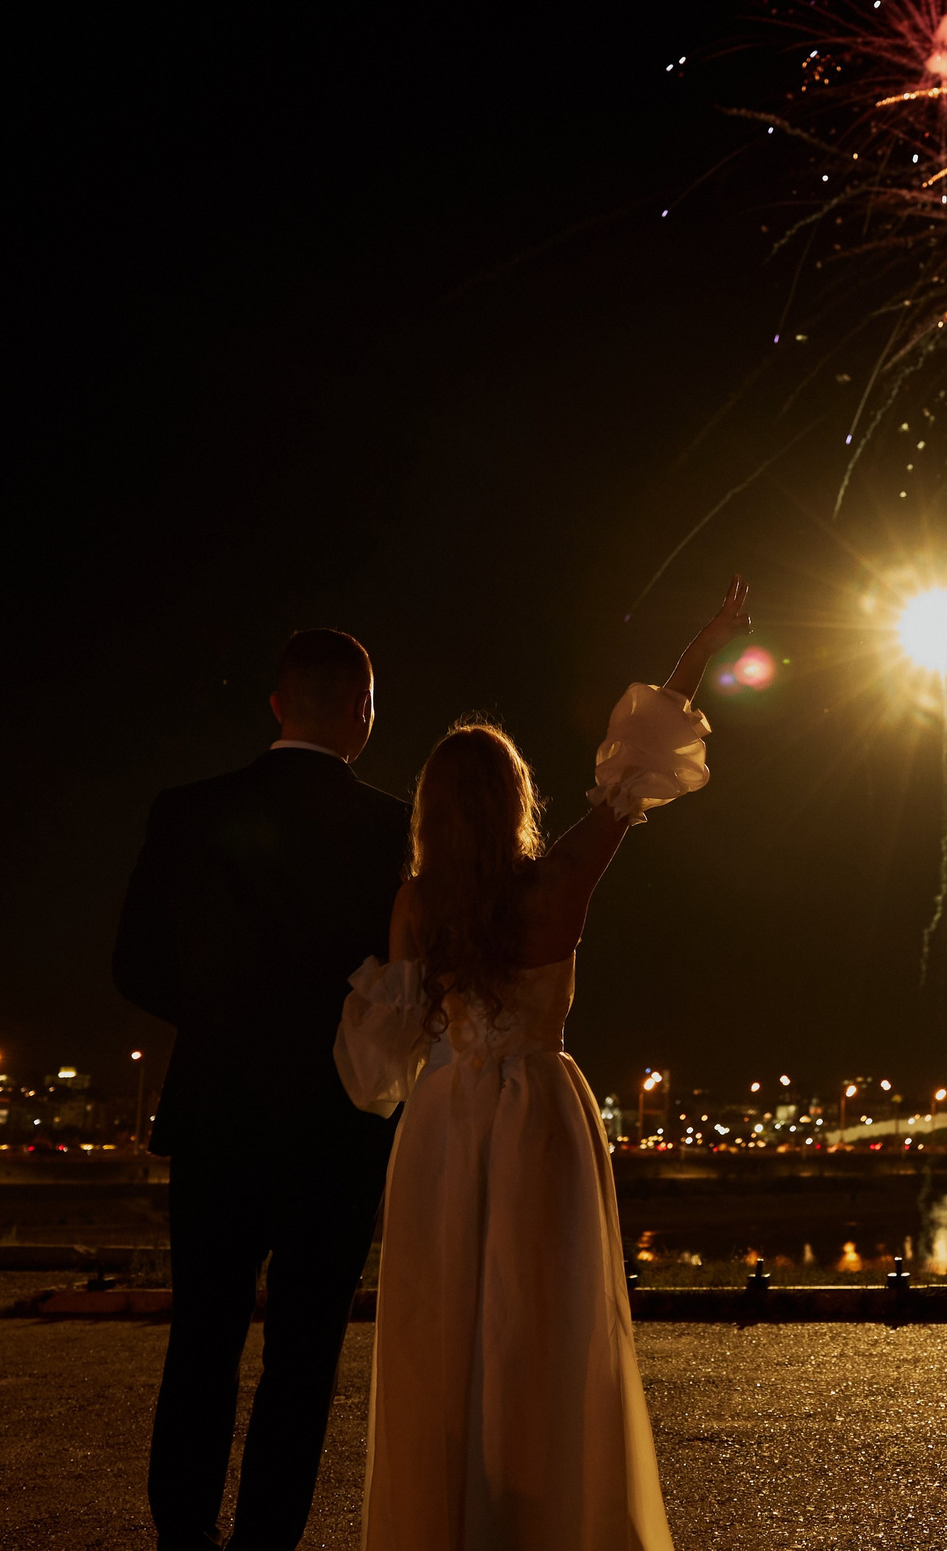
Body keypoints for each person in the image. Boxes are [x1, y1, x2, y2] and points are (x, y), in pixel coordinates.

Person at [335, 577, 751, 1551]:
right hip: (542, 1117)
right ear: (516, 800)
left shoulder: (415, 905)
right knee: (546, 1335)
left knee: (442, 1334)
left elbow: (377, 1063)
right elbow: (636, 767)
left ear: (432, 812)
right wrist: (704, 642)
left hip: (444, 1123)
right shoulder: (560, 882)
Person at [114, 627, 411, 1551]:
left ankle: (183, 1534)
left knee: (202, 1334)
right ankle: (266, 1538)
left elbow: (133, 965)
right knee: (304, 1351)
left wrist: (217, 1016)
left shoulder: (189, 810)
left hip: (217, 1109)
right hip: (340, 1119)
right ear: (364, 712)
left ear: (277, 704)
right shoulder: (397, 828)